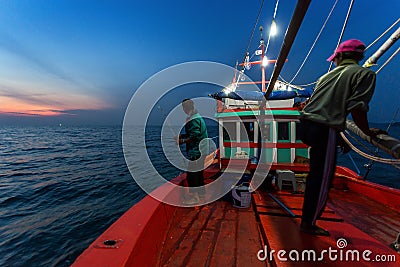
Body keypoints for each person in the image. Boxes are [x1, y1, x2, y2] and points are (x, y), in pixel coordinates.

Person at [299, 39, 386, 236]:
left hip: (305, 126)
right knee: (322, 178)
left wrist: (338, 138)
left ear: (339, 56)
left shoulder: (325, 77)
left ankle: (307, 220)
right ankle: (308, 224)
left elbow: (321, 106)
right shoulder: (364, 74)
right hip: (323, 129)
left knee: (316, 174)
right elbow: (357, 108)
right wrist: (368, 132)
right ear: (360, 56)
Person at [177, 99, 208, 205]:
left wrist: (182, 141)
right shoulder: (196, 116)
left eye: (183, 108)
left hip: (197, 151)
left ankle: (195, 198)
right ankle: (201, 193)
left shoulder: (193, 119)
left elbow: (195, 135)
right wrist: (181, 136)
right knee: (198, 173)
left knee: (192, 174)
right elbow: (193, 133)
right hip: (202, 150)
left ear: (185, 108)